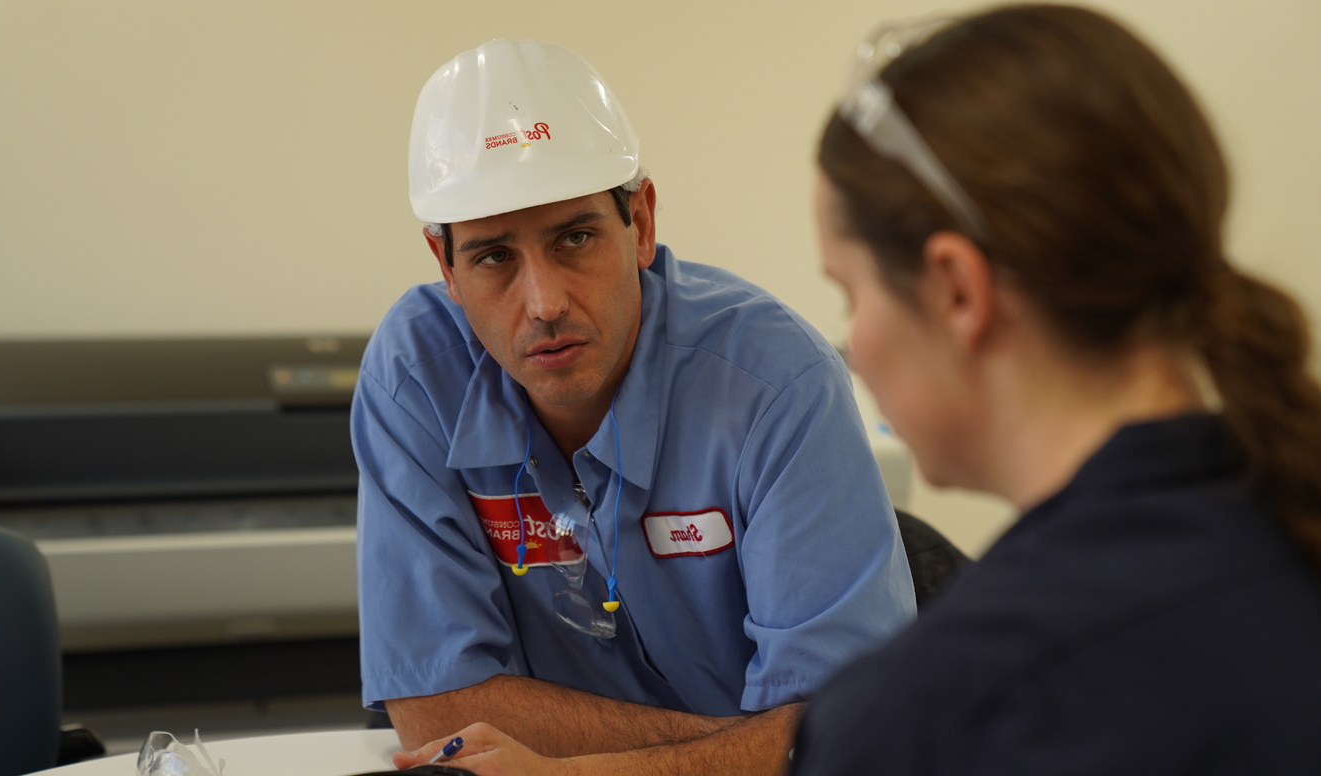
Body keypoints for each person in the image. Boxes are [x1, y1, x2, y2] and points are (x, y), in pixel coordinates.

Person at [353, 39, 915, 775]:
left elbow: (844, 734)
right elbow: (437, 709)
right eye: (493, 257)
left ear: (641, 224)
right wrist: (740, 750)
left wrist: (572, 771)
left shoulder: (777, 383)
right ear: (445, 268)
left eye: (575, 238)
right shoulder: (416, 375)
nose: (545, 304)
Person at [790, 4, 1321, 774]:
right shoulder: (1285, 539)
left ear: (956, 291)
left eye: (851, 294)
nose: (854, 346)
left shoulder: (923, 720)